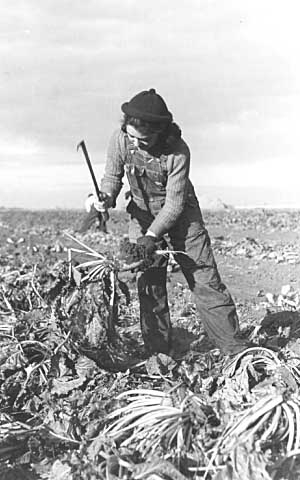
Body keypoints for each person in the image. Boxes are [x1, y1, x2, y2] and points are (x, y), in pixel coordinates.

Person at [94, 88, 248, 357]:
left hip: (183, 219)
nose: (135, 143)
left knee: (204, 281)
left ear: (160, 132)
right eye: (131, 137)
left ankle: (233, 351)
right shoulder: (120, 140)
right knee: (149, 284)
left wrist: (151, 237)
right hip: (142, 215)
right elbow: (112, 177)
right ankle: (158, 352)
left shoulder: (178, 152)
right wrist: (105, 197)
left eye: (143, 140)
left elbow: (174, 204)